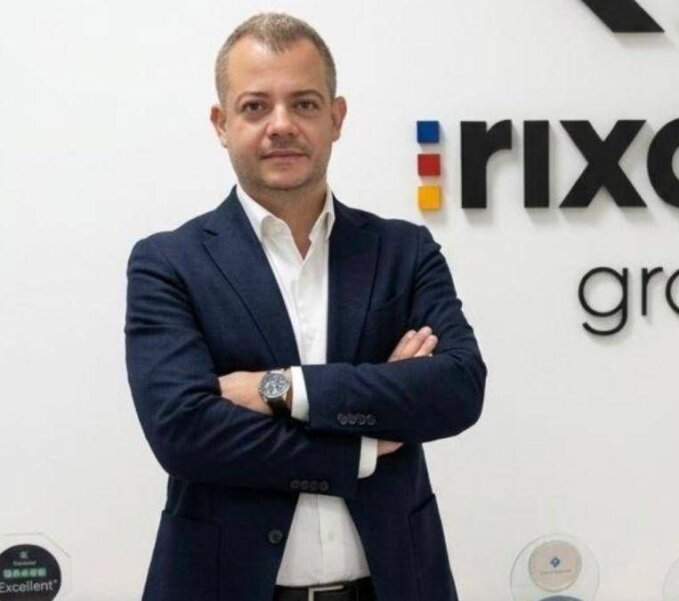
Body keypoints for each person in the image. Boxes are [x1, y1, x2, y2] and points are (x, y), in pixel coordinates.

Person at [123, 12, 486, 601]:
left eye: (305, 104)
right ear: (221, 123)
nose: (281, 125)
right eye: (255, 106)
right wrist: (364, 443)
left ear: (336, 118)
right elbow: (184, 432)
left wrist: (280, 389)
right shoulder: (169, 263)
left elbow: (457, 389)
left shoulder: (403, 251)